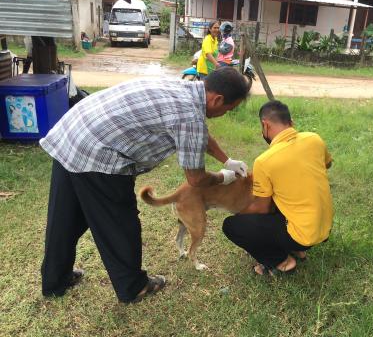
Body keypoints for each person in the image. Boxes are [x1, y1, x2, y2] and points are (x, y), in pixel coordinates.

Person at [39, 67, 250, 303]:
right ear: (217, 99)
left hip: (72, 132)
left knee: (65, 218)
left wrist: (227, 160)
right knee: (120, 223)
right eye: (228, 109)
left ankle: (55, 280)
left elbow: (201, 135)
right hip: (98, 153)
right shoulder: (190, 115)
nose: (225, 113)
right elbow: (197, 180)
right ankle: (133, 287)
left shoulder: (184, 88)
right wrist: (224, 177)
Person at [222, 100, 333, 276]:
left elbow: (262, 208)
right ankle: (298, 250)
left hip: (303, 236)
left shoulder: (264, 161)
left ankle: (282, 261)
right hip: (325, 227)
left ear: (265, 125)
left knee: (232, 225)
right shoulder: (314, 139)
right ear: (291, 122)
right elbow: (327, 164)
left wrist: (239, 214)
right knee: (280, 198)